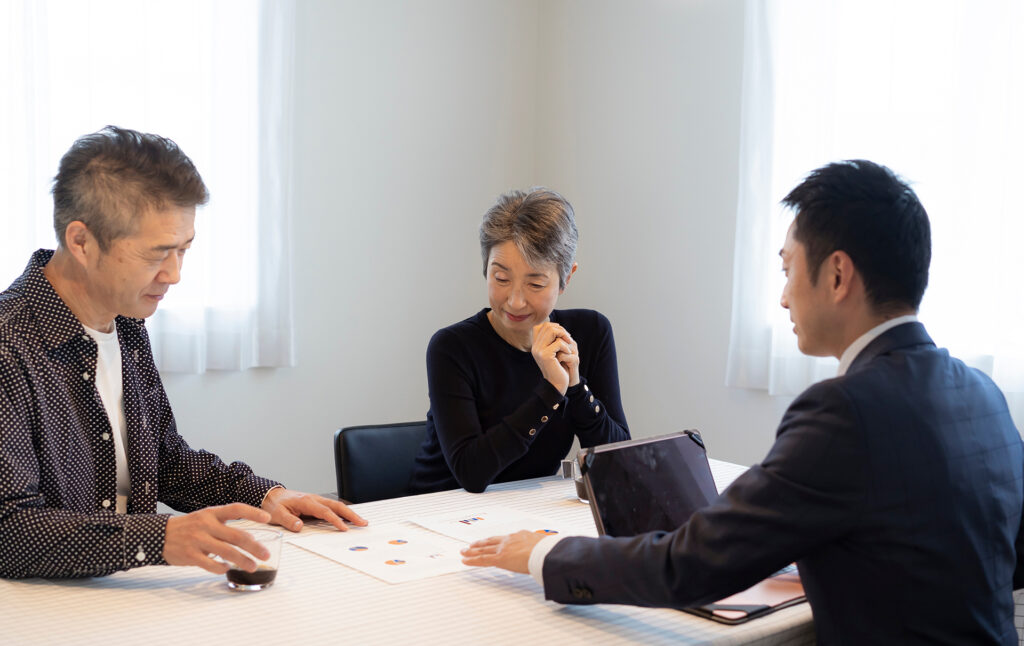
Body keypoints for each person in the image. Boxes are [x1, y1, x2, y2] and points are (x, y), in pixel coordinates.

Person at [461, 161, 1024, 644]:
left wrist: (545, 554)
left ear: (836, 275)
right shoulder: (982, 396)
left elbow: (689, 565)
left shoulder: (842, 414)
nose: (782, 297)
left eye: (787, 269)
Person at [0, 126, 366, 580]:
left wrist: (265, 497)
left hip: (114, 592)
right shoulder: (8, 345)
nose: (173, 275)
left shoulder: (127, 320)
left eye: (184, 250)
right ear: (81, 242)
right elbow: (7, 527)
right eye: (157, 254)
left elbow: (162, 457)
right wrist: (159, 538)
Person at [408, 189, 630, 494]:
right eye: (500, 279)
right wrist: (551, 390)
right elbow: (471, 474)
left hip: (526, 509)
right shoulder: (452, 347)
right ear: (486, 268)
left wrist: (575, 387)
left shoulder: (591, 332)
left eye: (535, 283)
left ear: (566, 278)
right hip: (441, 507)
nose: (514, 301)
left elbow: (619, 463)